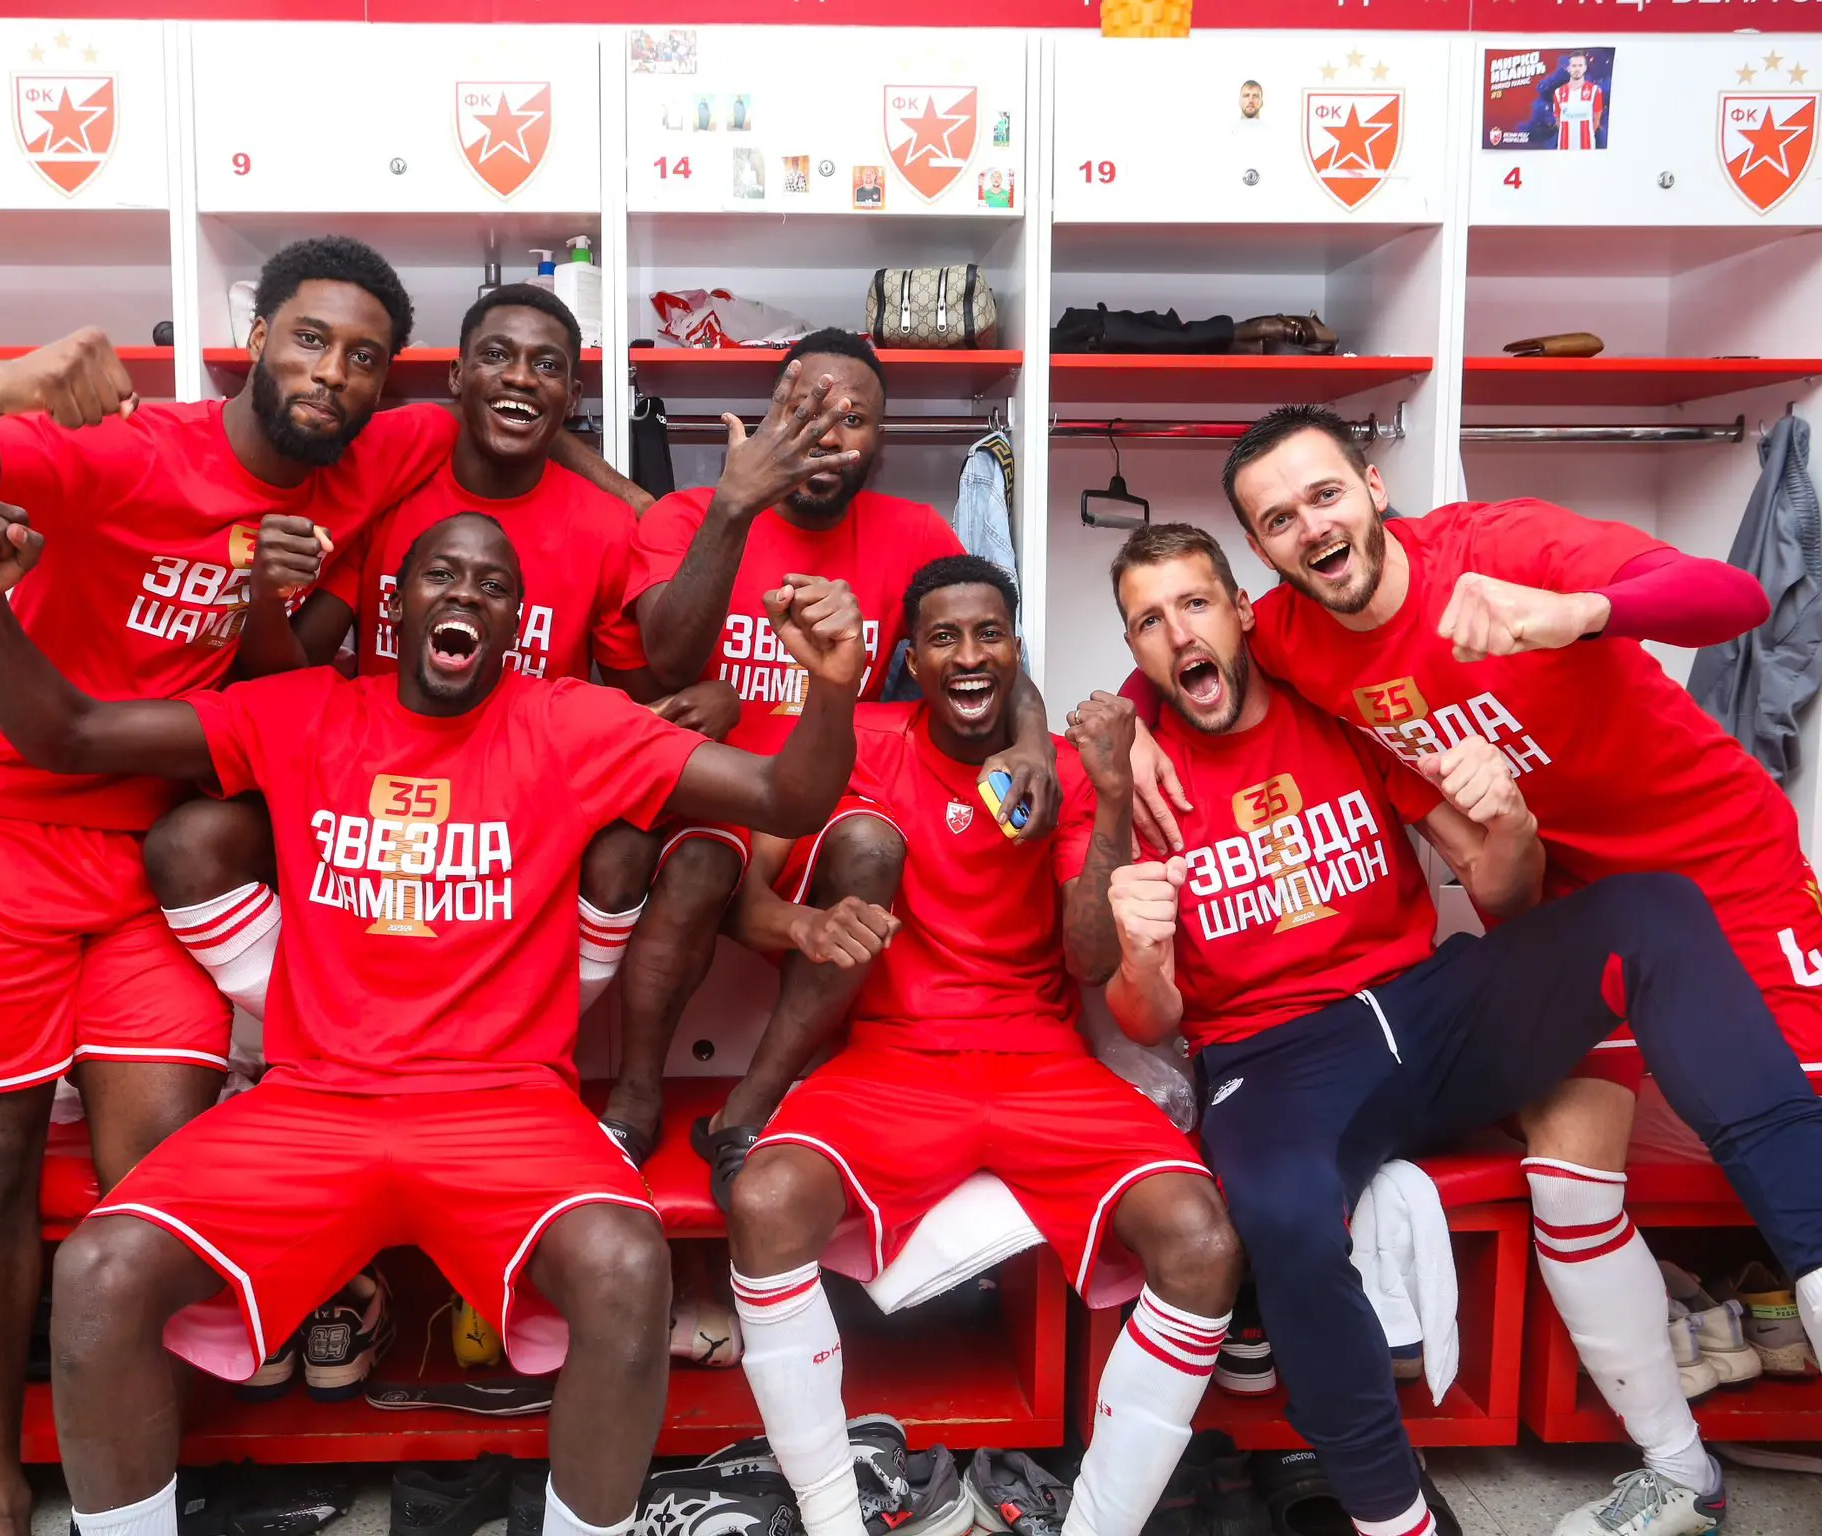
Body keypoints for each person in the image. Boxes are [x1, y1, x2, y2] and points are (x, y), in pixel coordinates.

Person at [0, 502, 872, 1536]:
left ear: (515, 619)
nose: (466, 593)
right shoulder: (302, 710)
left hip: (504, 1106)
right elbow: (69, 731)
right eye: (442, 575)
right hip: (313, 1102)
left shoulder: (570, 722)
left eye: (494, 584)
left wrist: (830, 682)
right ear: (398, 602)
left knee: (625, 1262)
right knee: (100, 1271)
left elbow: (786, 792)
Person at [0, 236, 456, 1536]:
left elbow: (512, 429)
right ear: (256, 338)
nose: (332, 373)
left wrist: (688, 498)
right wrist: (6, 377)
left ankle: (150, 1479)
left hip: (143, 856)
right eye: (309, 339)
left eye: (361, 358)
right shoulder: (129, 451)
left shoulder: (378, 453)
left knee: (161, 1167)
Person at [1116, 514, 1822, 1536]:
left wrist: (1508, 824)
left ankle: (1808, 1267)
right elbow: (1143, 1012)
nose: (1177, 634)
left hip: (1424, 1012)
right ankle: (1393, 1516)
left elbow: (1506, 892)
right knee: (1274, 1212)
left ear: (1242, 612)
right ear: (1131, 648)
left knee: (1654, 911)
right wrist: (1139, 935)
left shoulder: (1348, 697)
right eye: (1146, 621)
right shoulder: (1132, 773)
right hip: (1268, 1058)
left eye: (1193, 604)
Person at [724, 555, 1238, 1536]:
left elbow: (1090, 960)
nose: (968, 656)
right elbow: (749, 892)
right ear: (909, 657)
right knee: (762, 1202)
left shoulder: (1057, 778)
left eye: (988, 634)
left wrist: (1110, 801)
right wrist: (805, 927)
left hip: (1040, 1062)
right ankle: (834, 1519)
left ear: (1015, 648)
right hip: (896, 1057)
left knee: (1202, 1242)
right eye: (944, 638)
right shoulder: (868, 744)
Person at [140, 284, 737, 1087]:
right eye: (497, 358)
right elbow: (294, 680)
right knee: (189, 838)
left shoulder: (601, 526)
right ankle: (314, 1032)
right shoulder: (396, 490)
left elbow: (636, 694)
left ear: (572, 393)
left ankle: (519, 1036)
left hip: (510, 820)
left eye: (547, 367)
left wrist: (710, 699)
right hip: (358, 805)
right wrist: (262, 601)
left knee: (628, 841)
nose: (521, 379)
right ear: (456, 379)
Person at [599, 330, 1061, 1181]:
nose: (827, 436)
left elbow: (994, 657)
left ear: (880, 441)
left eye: (853, 420)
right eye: (805, 411)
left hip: (831, 788)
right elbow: (664, 656)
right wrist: (734, 507)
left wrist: (1031, 743)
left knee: (876, 846)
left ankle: (749, 1112)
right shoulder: (685, 515)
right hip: (716, 798)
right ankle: (633, 1098)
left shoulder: (912, 530)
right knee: (701, 864)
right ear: (774, 412)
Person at [1553, 52, 1603, 151]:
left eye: (1580, 65)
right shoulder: (1558, 92)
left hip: (1587, 148)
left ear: (1585, 67)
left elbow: (1596, 121)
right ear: (1568, 68)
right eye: (1574, 66)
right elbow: (1558, 121)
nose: (1577, 69)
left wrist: (1586, 133)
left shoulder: (1594, 91)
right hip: (1564, 148)